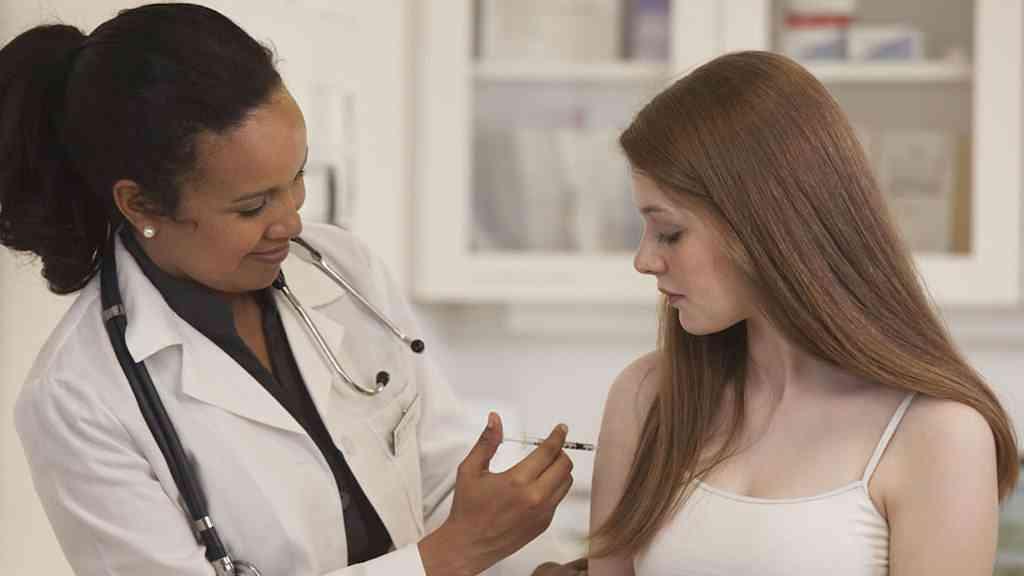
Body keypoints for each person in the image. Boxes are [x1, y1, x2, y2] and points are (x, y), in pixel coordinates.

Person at [0, 4, 579, 575]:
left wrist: (532, 568)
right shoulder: (76, 398)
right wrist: (449, 558)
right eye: (252, 206)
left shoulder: (343, 269)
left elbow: (445, 483)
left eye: (296, 177)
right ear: (141, 204)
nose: (292, 222)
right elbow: (456, 545)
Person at [587, 51, 1018, 576]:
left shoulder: (939, 435)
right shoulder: (647, 398)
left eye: (669, 232)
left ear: (763, 224)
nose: (644, 260)